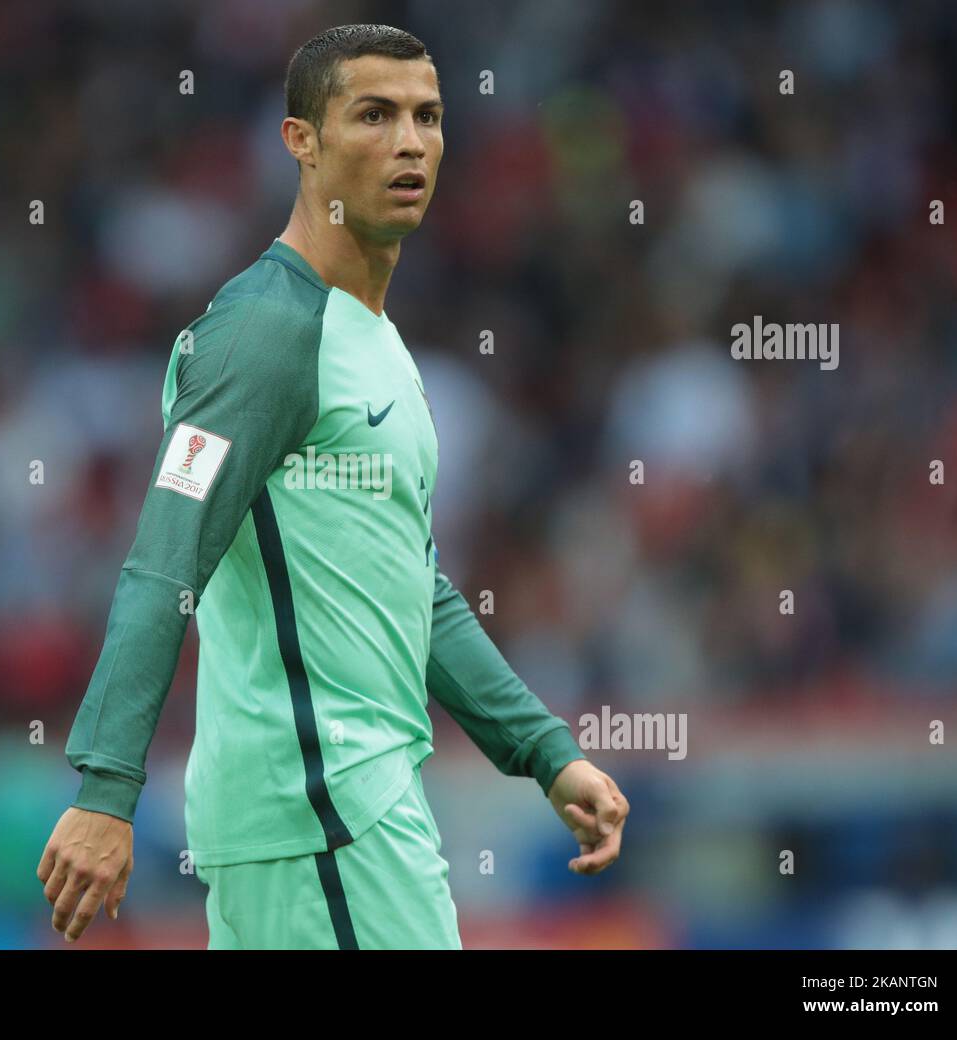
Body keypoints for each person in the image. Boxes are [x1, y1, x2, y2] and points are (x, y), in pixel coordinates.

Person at [37, 22, 628, 950]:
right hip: (319, 815)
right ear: (299, 141)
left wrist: (545, 752)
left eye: (427, 117)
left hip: (346, 812)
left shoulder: (373, 339)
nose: (409, 143)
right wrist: (107, 789)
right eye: (374, 115)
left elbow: (412, 581)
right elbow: (165, 557)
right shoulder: (265, 334)